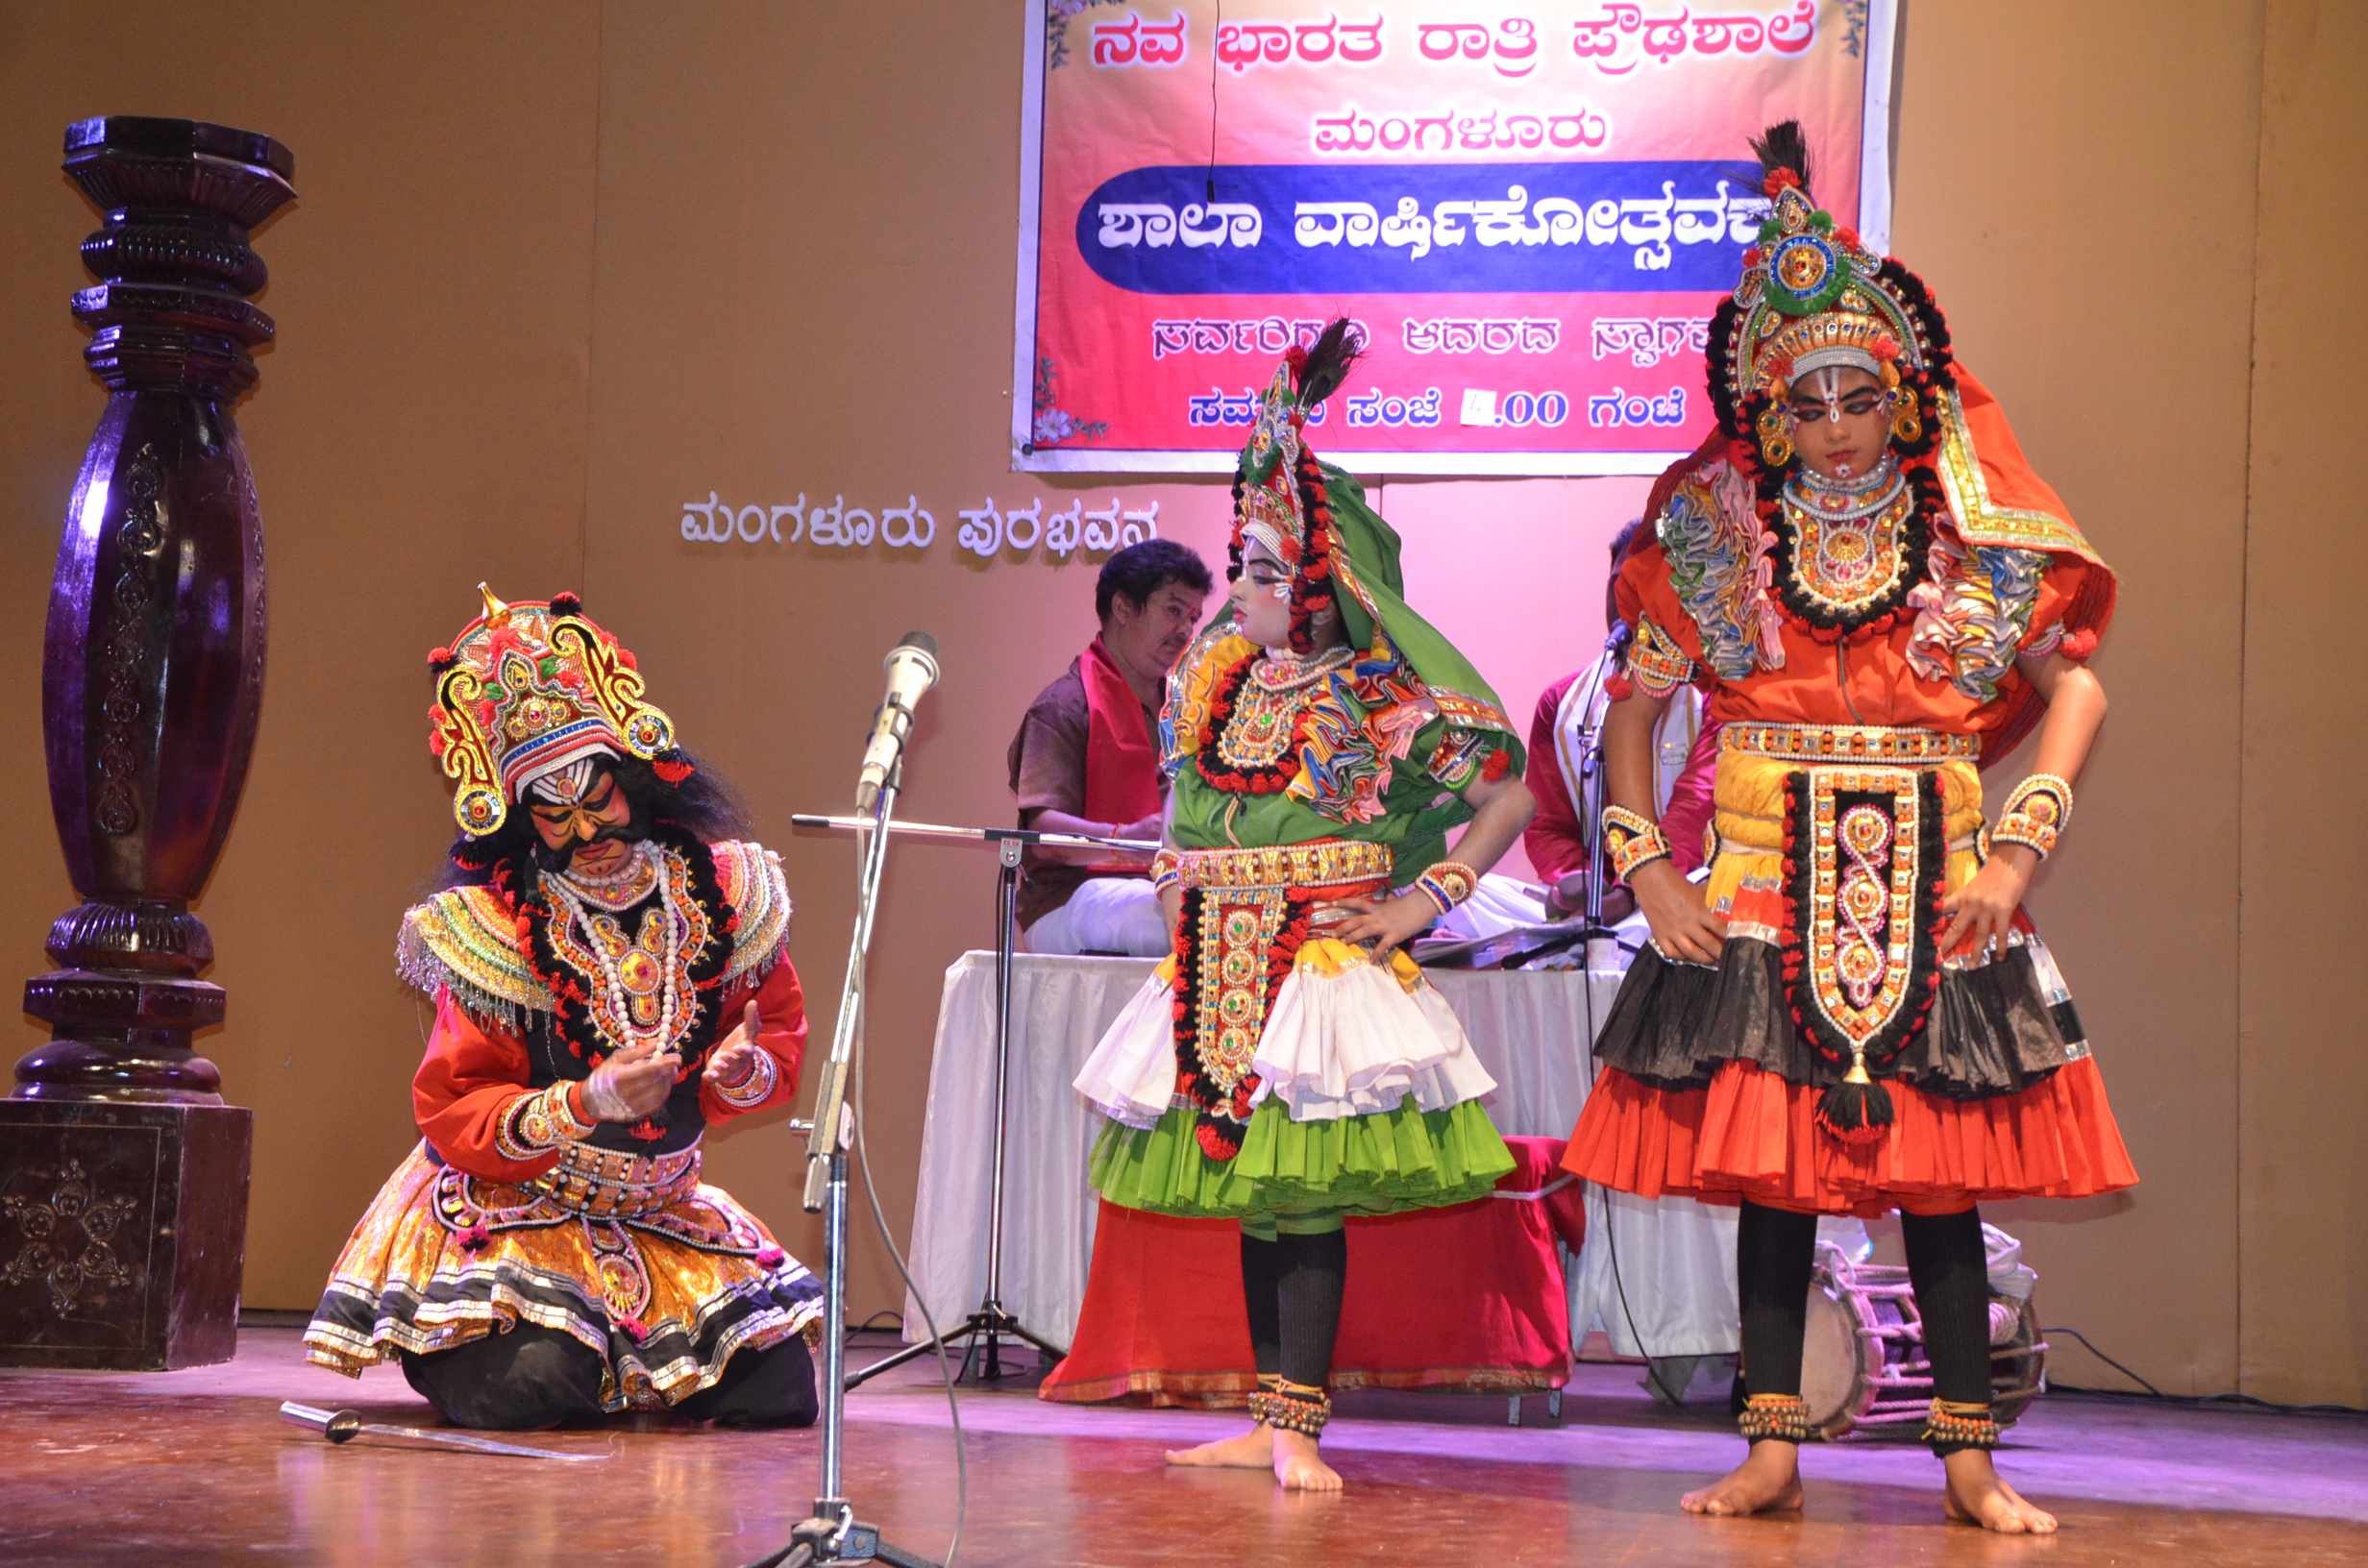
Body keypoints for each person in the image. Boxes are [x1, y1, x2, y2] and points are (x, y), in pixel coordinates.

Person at [1562, 124, 2134, 1534]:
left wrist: (2018, 848)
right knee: (1777, 1186)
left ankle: (1969, 1462)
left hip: (1934, 889)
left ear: (1901, 397)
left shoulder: (1970, 539)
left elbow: (2073, 689)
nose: (1833, 424)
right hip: (1761, 891)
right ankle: (1771, 1449)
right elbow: (1632, 713)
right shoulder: (1712, 538)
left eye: (1857, 396)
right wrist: (1646, 867)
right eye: (1805, 400)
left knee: (1938, 1184)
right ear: (1769, 413)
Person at [1072, 324, 1537, 1490]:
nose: (1241, 589)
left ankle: (1300, 1427)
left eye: (1266, 572)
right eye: (1243, 567)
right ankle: (1266, 1417)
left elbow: (1508, 795)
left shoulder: (1377, 697)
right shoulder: (1212, 681)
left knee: (1308, 1193)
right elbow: (1184, 818)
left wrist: (1423, 901)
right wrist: (1177, 888)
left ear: (1326, 587)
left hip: (1319, 960)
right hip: (1216, 959)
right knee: (1254, 1191)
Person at [304, 589, 824, 1431]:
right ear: (520, 819)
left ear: (633, 776)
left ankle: (619, 1362)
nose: (587, 829)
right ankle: (475, 1348)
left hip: (658, 1210)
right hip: (522, 1206)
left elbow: (779, 1032)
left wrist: (744, 1068)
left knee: (781, 1394)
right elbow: (453, 1104)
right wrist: (586, 1101)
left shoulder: (724, 892)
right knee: (537, 1387)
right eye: (555, 813)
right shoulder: (493, 927)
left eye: (598, 798)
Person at [1008, 538, 1214, 956]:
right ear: (1123, 608)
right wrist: (1128, 840)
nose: (1185, 631)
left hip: (1164, 886)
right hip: (1071, 899)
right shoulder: (1065, 705)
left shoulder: (1187, 710)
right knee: (1182, 923)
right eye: (1173, 611)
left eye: (1193, 617)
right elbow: (1043, 835)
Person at [1522, 517, 1714, 923]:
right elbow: (1547, 824)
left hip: (1683, 883)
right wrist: (1575, 883)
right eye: (1617, 583)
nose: (1626, 596)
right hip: (1599, 895)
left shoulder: (1716, 696)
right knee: (1481, 899)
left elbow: (1696, 809)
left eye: (1642, 583)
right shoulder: (1561, 703)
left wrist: (1631, 892)